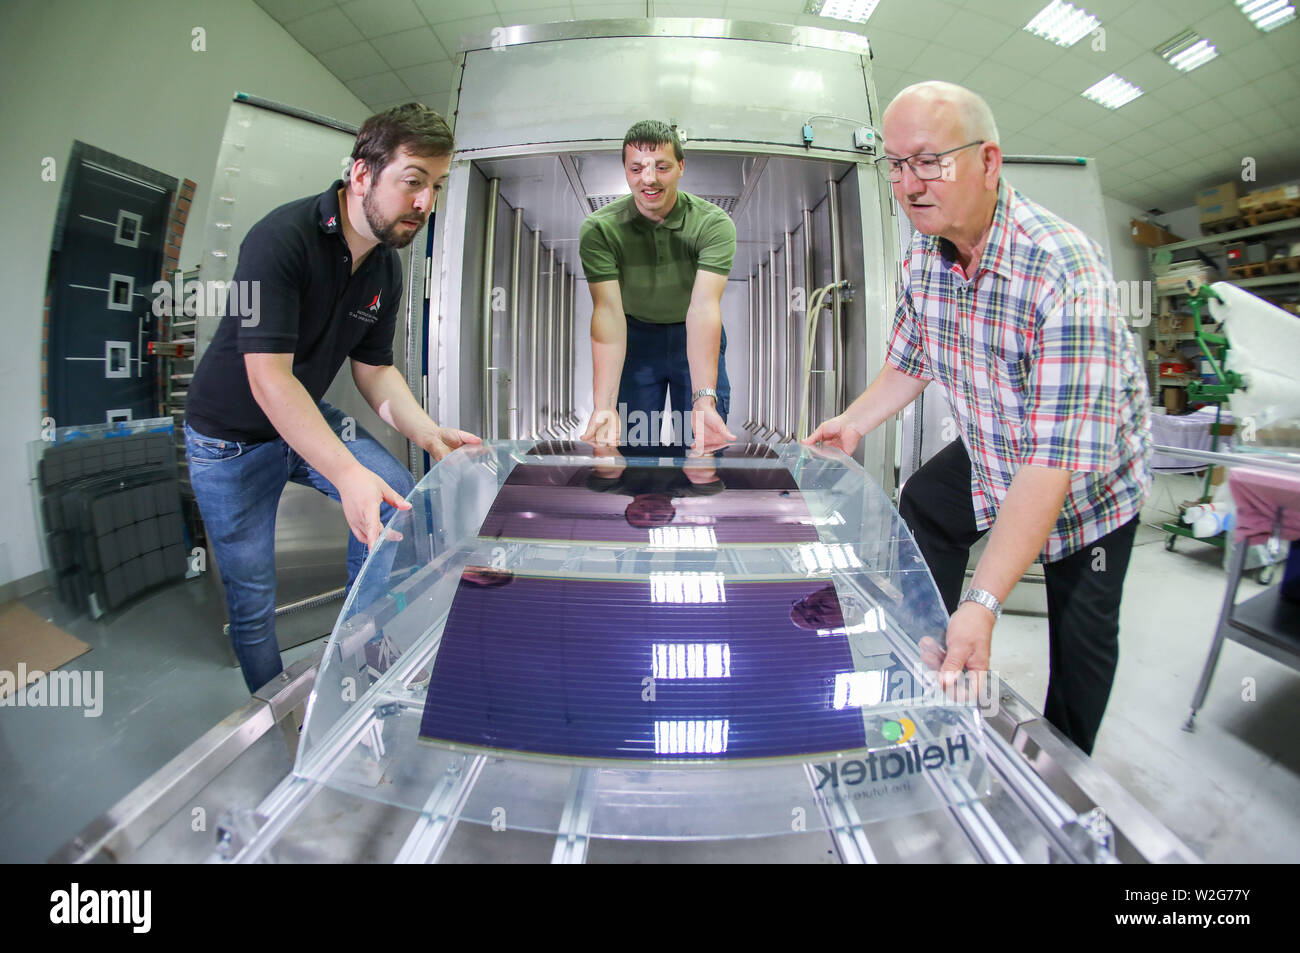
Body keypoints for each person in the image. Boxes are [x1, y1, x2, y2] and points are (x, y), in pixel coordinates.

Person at [804, 82, 1151, 755]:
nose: (908, 184)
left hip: (1086, 482)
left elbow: (1051, 463)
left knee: (1080, 640)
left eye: (929, 160)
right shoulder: (921, 258)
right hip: (998, 447)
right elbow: (910, 361)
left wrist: (986, 602)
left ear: (989, 162)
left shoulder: (1063, 271)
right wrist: (852, 422)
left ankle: (1060, 775)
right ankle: (931, 653)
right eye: (896, 164)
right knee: (926, 502)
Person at [184, 104, 479, 692]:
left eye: (436, 186)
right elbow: (269, 379)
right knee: (251, 600)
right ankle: (279, 715)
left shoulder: (386, 271)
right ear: (362, 174)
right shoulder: (277, 240)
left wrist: (427, 432)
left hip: (304, 417)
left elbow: (374, 368)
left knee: (397, 504)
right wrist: (346, 474)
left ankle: (357, 647)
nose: (426, 204)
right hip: (229, 440)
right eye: (413, 181)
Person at [578, 120, 737, 452]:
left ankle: (697, 504)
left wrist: (704, 399)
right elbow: (607, 312)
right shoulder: (600, 229)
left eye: (661, 167)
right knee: (635, 442)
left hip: (691, 335)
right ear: (625, 170)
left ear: (681, 166)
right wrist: (604, 405)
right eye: (636, 168)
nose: (648, 179)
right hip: (635, 339)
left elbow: (704, 308)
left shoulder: (713, 224)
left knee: (700, 441)